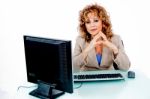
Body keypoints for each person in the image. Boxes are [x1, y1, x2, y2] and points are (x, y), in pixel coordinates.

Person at [73, 3, 130, 71]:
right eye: (88, 22)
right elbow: (73, 68)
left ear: (103, 22)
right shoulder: (80, 40)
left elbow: (126, 67)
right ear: (84, 25)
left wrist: (114, 48)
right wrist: (88, 48)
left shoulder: (116, 39)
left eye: (96, 21)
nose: (92, 25)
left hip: (108, 78)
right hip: (87, 78)